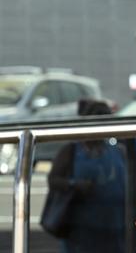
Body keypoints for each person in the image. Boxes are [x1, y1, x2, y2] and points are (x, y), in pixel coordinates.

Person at [46, 99, 126, 253]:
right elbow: (53, 180)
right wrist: (74, 184)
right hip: (81, 227)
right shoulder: (71, 150)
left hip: (115, 226)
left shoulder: (116, 150)